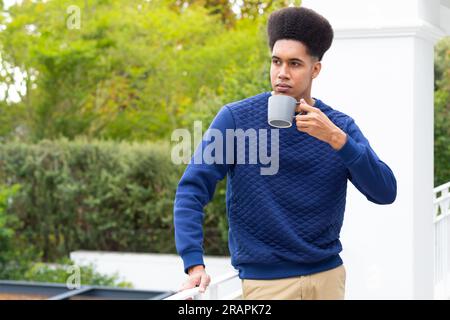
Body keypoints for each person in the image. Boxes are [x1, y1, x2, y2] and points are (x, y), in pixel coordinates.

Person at [173, 6, 397, 300]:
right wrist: (194, 264)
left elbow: (385, 191)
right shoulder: (236, 119)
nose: (282, 73)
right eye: (276, 62)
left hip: (328, 279)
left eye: (294, 64)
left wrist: (335, 139)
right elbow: (191, 189)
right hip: (265, 286)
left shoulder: (338, 127)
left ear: (315, 69)